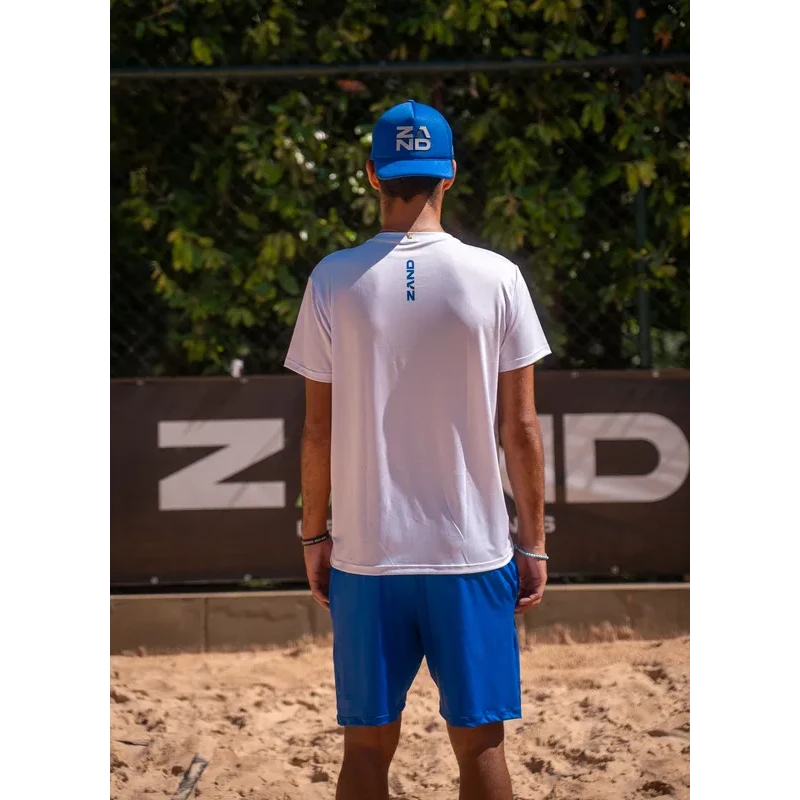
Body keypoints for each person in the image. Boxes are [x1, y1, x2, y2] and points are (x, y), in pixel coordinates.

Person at [284, 100, 551, 800]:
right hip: (471, 552)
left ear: (373, 174)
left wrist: (314, 535)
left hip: (368, 553)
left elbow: (317, 431)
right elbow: (521, 428)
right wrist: (533, 541)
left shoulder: (333, 279)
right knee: (482, 744)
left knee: (366, 749)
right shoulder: (498, 276)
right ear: (450, 173)